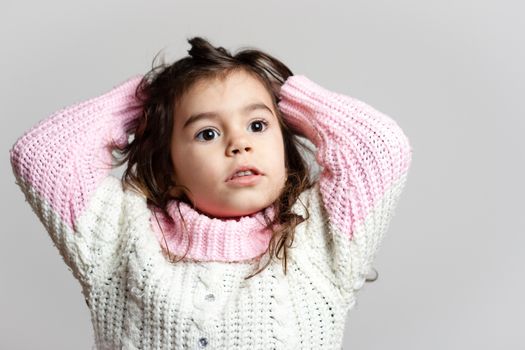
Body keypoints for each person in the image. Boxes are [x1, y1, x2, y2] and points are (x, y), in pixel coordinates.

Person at [9, 36, 413, 349]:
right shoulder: (121, 236)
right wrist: (147, 100)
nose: (239, 144)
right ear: (166, 167)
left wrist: (283, 90)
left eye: (257, 125)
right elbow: (44, 155)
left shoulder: (318, 239)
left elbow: (379, 147)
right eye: (207, 133)